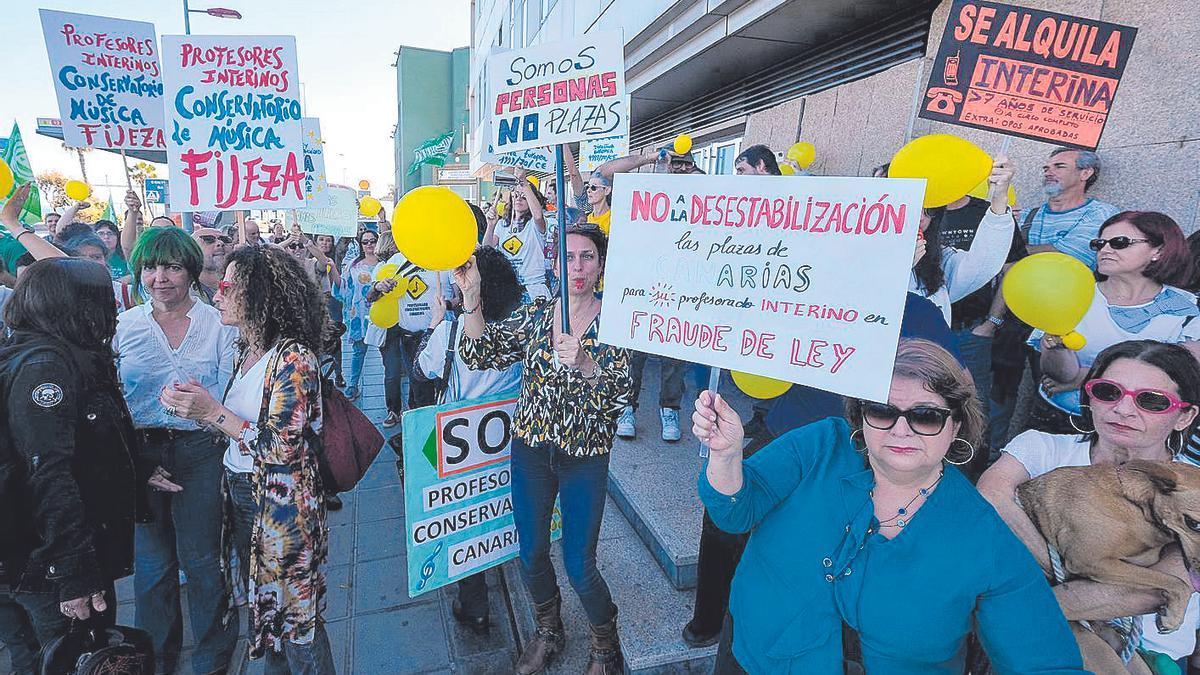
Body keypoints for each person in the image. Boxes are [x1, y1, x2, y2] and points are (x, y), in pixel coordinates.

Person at [694, 338, 1085, 673]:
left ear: (957, 426)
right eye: (882, 411)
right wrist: (726, 457)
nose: (901, 429)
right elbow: (733, 512)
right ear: (860, 416)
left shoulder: (985, 538)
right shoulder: (820, 445)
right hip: (749, 658)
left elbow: (1043, 659)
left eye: (926, 417)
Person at [682, 292, 965, 648]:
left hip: (870, 448)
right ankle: (710, 618)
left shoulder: (919, 311)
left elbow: (959, 387)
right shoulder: (810, 294)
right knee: (725, 513)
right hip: (791, 427)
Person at [457, 225, 632, 674]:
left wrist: (587, 363)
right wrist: (472, 298)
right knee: (531, 551)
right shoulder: (537, 314)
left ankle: (604, 646)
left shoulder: (617, 320)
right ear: (556, 263)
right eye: (569, 257)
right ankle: (549, 630)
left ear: (601, 264)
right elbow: (482, 352)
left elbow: (621, 396)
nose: (578, 267)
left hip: (585, 458)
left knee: (579, 563)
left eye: (588, 257)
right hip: (532, 451)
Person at [162, 244, 336, 673]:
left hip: (282, 506)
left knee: (298, 619)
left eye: (226, 285)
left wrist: (212, 412)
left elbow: (282, 447)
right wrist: (197, 411)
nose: (216, 294)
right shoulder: (245, 349)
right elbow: (239, 429)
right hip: (243, 495)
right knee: (267, 609)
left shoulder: (294, 358)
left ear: (259, 294)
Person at [979, 340, 1200, 673]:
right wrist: (1068, 566)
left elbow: (1145, 595)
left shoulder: (1191, 494)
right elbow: (990, 497)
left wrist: (1028, 594)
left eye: (1151, 401)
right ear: (1089, 396)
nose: (1123, 410)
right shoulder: (1042, 447)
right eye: (1109, 392)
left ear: (1184, 416)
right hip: (1043, 632)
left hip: (1152, 650)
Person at [0, 258, 147, 671]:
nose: (113, 312)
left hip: (37, 558)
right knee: (71, 660)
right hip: (47, 567)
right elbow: (48, 474)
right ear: (76, 307)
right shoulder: (46, 366)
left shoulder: (42, 352)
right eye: (104, 302)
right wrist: (74, 572)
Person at [115, 226, 239, 674]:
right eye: (150, 267)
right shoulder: (124, 326)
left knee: (204, 560)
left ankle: (213, 656)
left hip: (201, 452)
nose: (159, 277)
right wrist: (134, 458)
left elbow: (229, 389)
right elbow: (111, 399)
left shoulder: (219, 324)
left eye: (170, 266)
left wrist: (208, 413)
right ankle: (154, 657)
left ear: (190, 270)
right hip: (142, 453)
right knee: (151, 567)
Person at [416, 245, 524, 635]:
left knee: (464, 516)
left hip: (457, 443)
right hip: (505, 440)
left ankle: (474, 601)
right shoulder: (522, 329)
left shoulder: (451, 329)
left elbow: (424, 370)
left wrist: (435, 325)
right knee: (498, 506)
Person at [1030, 211, 1198, 434]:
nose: (1105, 250)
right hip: (1058, 416)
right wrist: (1058, 352)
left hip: (1133, 430)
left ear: (1158, 250)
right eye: (1099, 243)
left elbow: (1178, 378)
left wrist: (1083, 378)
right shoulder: (1070, 294)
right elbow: (1057, 375)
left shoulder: (1185, 307)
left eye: (1120, 243)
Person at [367, 233, 454, 427]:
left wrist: (445, 305)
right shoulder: (396, 262)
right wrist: (379, 287)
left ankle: (437, 433)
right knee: (418, 387)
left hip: (440, 336)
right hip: (409, 339)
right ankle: (420, 434)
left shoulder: (443, 260)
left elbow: (460, 298)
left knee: (441, 388)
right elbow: (371, 297)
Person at [1022, 147, 1120, 270]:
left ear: (1085, 173)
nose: (1048, 173)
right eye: (1046, 169)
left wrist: (1013, 251)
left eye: (1059, 166)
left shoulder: (1101, 213)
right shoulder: (1025, 215)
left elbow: (1069, 257)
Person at [485, 167, 549, 302]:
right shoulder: (502, 225)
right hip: (509, 289)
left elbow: (538, 216)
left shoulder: (534, 224)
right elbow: (487, 249)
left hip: (534, 289)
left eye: (524, 197)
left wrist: (524, 183)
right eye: (515, 195)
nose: (519, 199)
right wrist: (490, 226)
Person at [339, 229, 380, 401]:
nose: (369, 244)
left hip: (383, 314)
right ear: (361, 244)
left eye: (372, 241)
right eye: (365, 242)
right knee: (358, 351)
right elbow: (343, 287)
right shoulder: (353, 265)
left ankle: (393, 397)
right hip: (360, 315)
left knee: (389, 354)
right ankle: (352, 385)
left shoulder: (387, 263)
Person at [192, 227, 232, 302]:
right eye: (209, 240)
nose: (220, 243)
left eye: (224, 239)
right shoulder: (182, 292)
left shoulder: (245, 285)